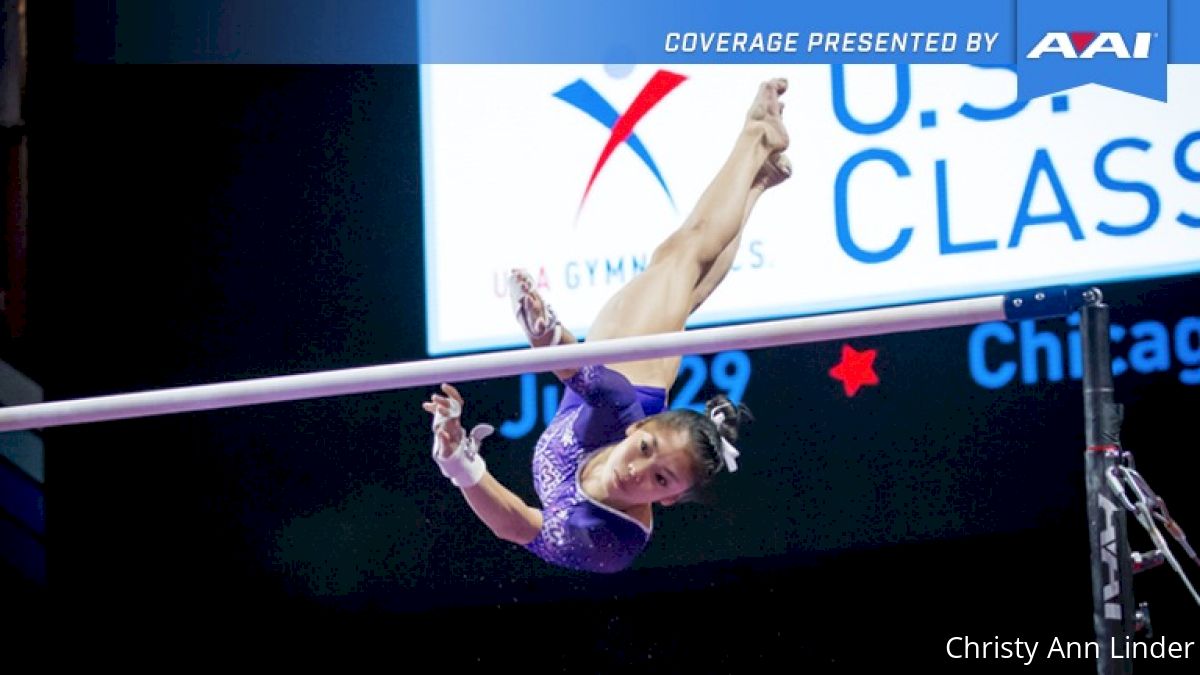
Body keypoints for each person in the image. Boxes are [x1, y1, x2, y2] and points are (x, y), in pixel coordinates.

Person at [423, 78, 792, 573]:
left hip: (606, 379)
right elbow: (578, 370)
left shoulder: (605, 540)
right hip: (630, 367)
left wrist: (458, 463)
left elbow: (514, 525)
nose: (636, 471)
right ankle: (757, 138)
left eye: (660, 480)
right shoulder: (618, 408)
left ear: (671, 498)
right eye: (645, 449)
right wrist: (545, 334)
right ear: (638, 427)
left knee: (687, 275)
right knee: (680, 257)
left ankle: (760, 176)